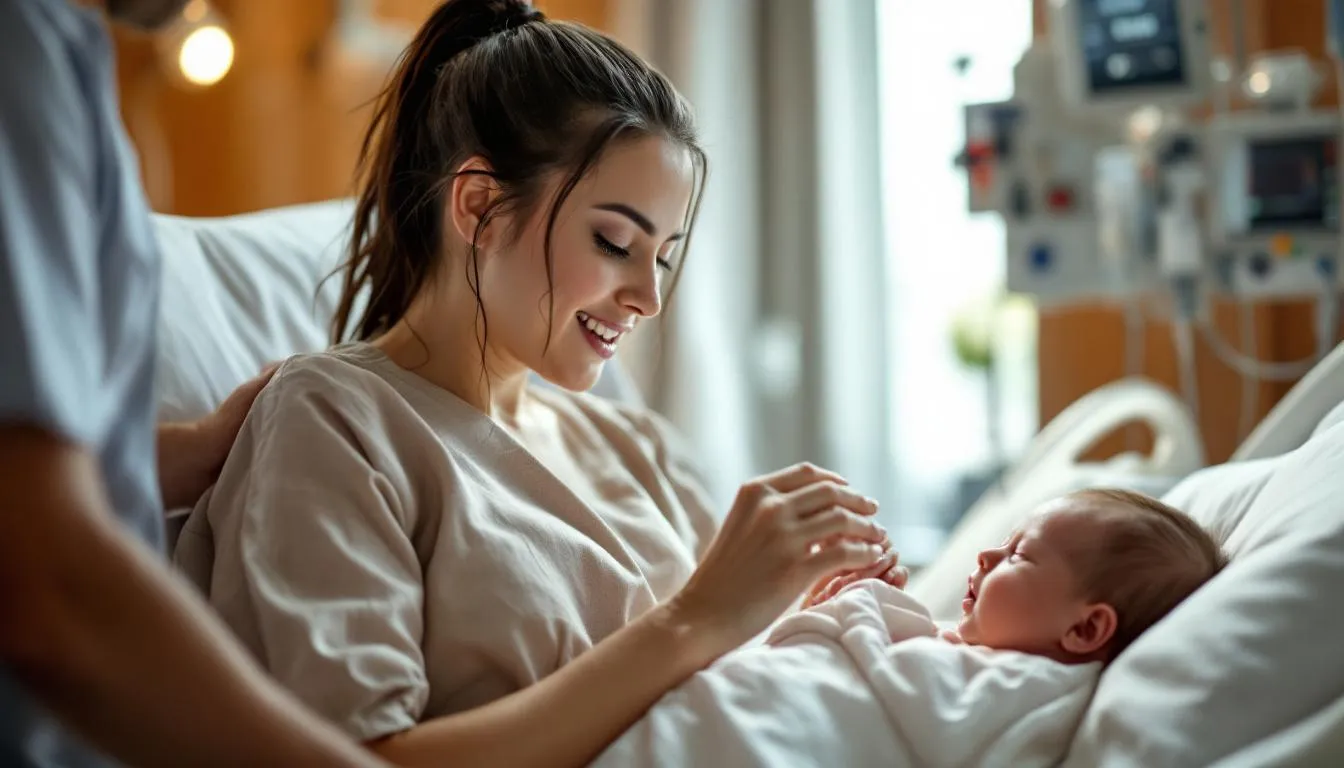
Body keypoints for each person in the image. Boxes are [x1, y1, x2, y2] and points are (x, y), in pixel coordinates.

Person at [0, 1, 893, 767]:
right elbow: (368, 757)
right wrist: (695, 618)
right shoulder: (338, 423)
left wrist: (816, 610)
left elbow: (749, 691)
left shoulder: (639, 446)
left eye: (665, 256)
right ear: (475, 205)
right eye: (615, 244)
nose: (649, 297)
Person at [806, 487, 1227, 663]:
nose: (987, 555)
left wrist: (857, 610)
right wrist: (842, 606)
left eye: (1018, 555)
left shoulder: (1012, 689)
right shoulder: (969, 646)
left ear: (1085, 626)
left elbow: (883, 686)